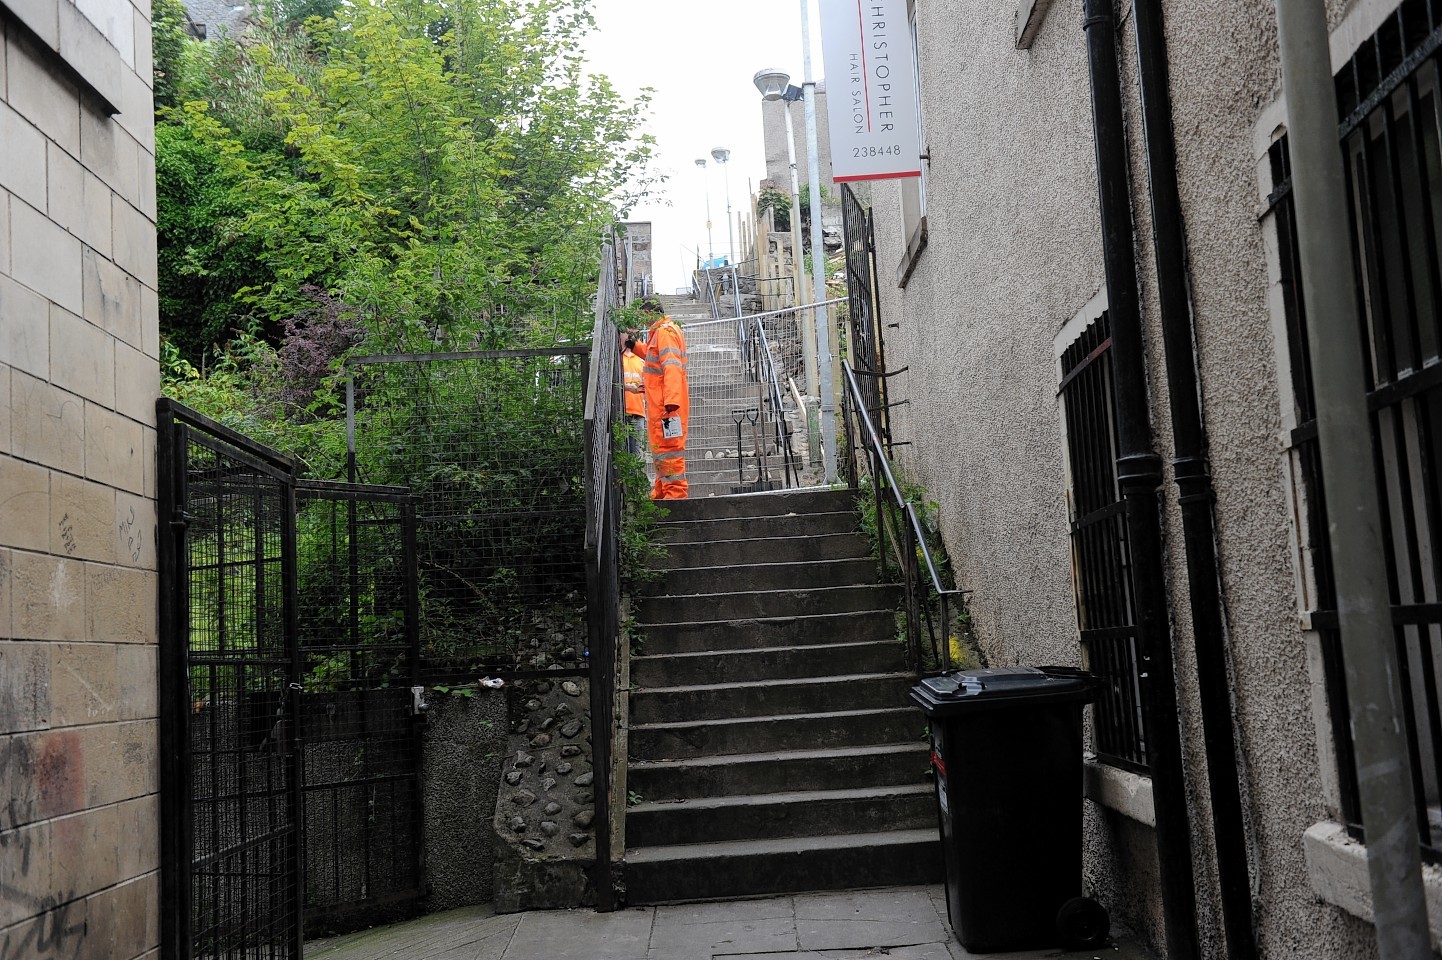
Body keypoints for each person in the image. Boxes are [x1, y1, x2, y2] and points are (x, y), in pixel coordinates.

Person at [633, 298, 689, 499]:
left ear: (648, 313)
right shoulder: (662, 332)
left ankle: (675, 494)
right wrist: (633, 344)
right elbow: (652, 358)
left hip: (667, 406)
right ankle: (663, 490)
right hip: (664, 404)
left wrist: (670, 402)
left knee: (669, 449)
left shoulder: (664, 332)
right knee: (662, 450)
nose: (641, 321)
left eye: (641, 316)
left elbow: (671, 367)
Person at [621, 331, 646, 455]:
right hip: (621, 411)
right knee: (622, 453)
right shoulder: (617, 358)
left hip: (638, 411)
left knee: (636, 454)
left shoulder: (641, 359)